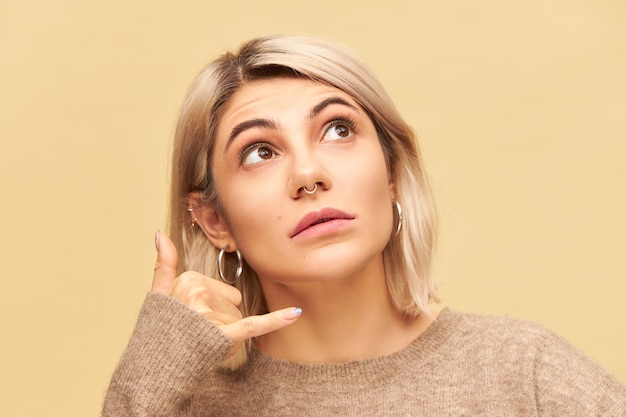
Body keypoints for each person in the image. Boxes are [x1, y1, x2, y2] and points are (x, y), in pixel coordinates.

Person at [102, 35, 626, 416]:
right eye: (260, 151)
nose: (308, 175)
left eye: (337, 129)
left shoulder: (521, 372)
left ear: (392, 174)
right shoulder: (183, 402)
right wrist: (151, 374)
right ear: (215, 221)